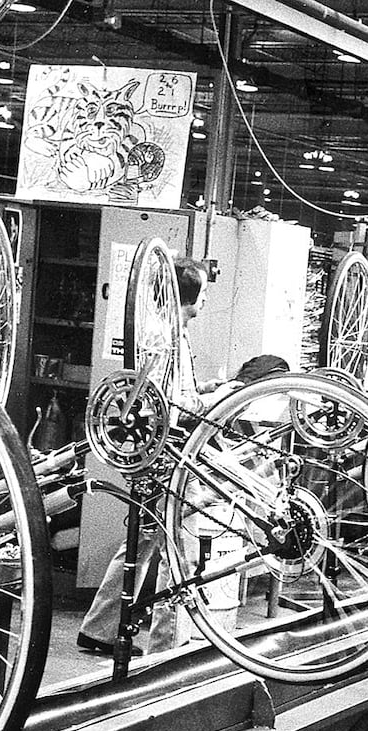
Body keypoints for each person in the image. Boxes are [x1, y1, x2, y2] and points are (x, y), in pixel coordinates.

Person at [78, 256, 239, 655]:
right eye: (203, 291)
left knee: (143, 540)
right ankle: (166, 645)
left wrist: (204, 388)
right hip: (168, 454)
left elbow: (169, 392)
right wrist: (216, 399)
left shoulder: (169, 331)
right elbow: (166, 403)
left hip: (159, 453)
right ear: (193, 296)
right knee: (175, 546)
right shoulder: (163, 336)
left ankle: (99, 628)